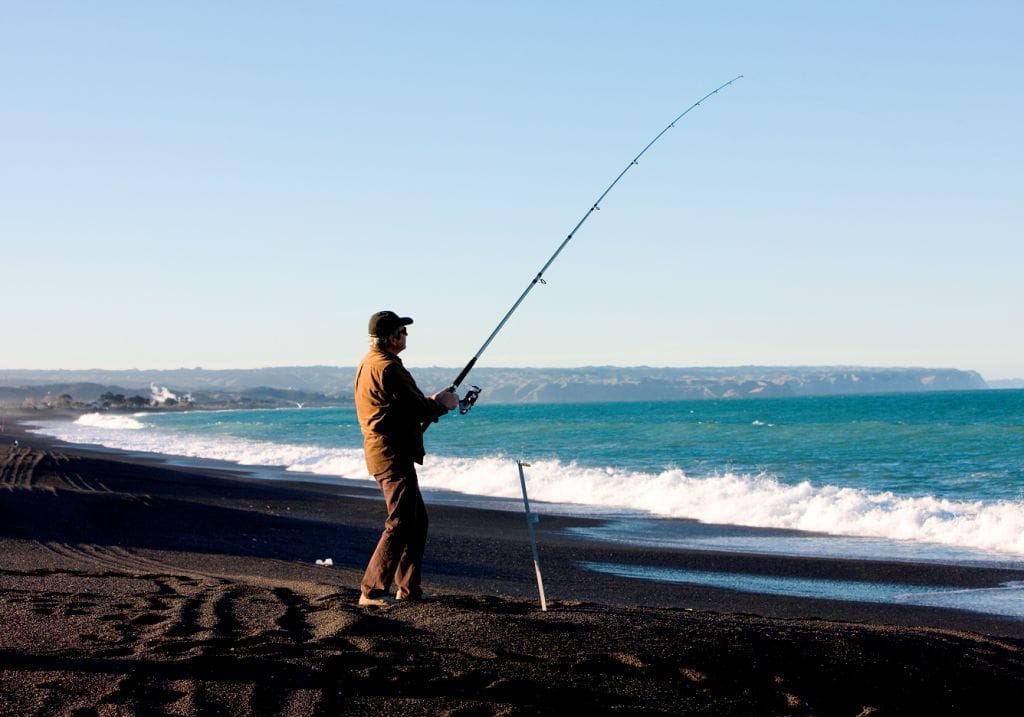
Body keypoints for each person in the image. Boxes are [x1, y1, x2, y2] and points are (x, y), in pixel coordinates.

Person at [355, 310, 459, 606]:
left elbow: (403, 407)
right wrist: (443, 404)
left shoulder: (369, 362)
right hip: (391, 454)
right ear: (391, 338)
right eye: (403, 330)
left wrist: (433, 403)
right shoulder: (388, 367)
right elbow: (419, 409)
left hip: (384, 452)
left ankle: (408, 589)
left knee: (417, 521)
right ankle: (372, 591)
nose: (406, 335)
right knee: (400, 522)